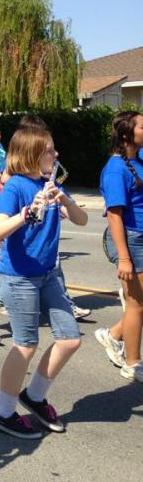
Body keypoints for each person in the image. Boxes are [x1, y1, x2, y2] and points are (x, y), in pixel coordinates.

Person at [0, 127, 87, 439]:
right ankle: (3, 412)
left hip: (48, 274)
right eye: (49, 150)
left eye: (54, 150)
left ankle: (35, 396)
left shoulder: (50, 184)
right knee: (26, 345)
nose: (55, 155)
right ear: (31, 154)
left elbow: (83, 220)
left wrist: (65, 201)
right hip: (19, 277)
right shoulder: (17, 186)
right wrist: (27, 214)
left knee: (70, 338)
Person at [97, 111, 143, 382]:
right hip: (133, 239)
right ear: (128, 134)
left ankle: (113, 335)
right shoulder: (115, 169)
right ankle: (133, 363)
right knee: (137, 305)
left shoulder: (138, 159)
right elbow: (114, 214)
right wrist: (124, 258)